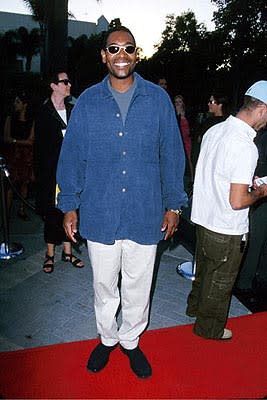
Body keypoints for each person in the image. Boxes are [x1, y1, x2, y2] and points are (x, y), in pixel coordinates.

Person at [56, 26, 187, 378]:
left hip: (146, 212)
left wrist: (174, 205)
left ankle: (130, 340)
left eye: (128, 48)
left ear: (136, 53)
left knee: (138, 284)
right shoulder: (87, 102)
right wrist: (69, 204)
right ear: (104, 56)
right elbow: (72, 157)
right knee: (103, 284)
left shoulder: (158, 100)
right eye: (114, 48)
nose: (121, 55)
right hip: (99, 212)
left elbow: (172, 155)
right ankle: (107, 338)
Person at [186, 80, 267, 340]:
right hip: (226, 225)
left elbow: (214, 174)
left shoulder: (216, 130)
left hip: (203, 217)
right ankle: (209, 328)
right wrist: (260, 192)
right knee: (220, 281)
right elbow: (237, 201)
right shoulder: (245, 146)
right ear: (262, 110)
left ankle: (193, 308)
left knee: (204, 272)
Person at [34, 71, 84, 274]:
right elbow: (39, 149)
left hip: (72, 171)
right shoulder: (44, 113)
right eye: (65, 82)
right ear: (54, 86)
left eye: (69, 81)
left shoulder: (74, 110)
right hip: (51, 173)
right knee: (52, 213)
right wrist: (43, 176)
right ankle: (49, 255)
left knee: (70, 210)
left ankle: (68, 251)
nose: (69, 84)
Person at [235, 127, 267, 302]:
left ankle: (260, 277)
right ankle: (245, 282)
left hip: (261, 193)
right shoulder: (261, 136)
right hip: (261, 193)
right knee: (256, 240)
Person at [3, 91, 35, 220]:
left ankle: (21, 209)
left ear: (24, 105)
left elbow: (31, 140)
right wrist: (20, 142)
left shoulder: (31, 120)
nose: (15, 104)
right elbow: (6, 138)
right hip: (14, 155)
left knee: (24, 183)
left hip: (26, 155)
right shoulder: (10, 119)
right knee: (11, 184)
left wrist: (15, 140)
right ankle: (6, 211)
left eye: (18, 102)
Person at [174, 94, 194, 181]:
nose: (178, 103)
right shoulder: (173, 114)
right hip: (178, 139)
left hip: (187, 139)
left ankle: (192, 180)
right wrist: (177, 115)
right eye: (176, 102)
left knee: (189, 158)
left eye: (179, 102)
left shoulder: (188, 113)